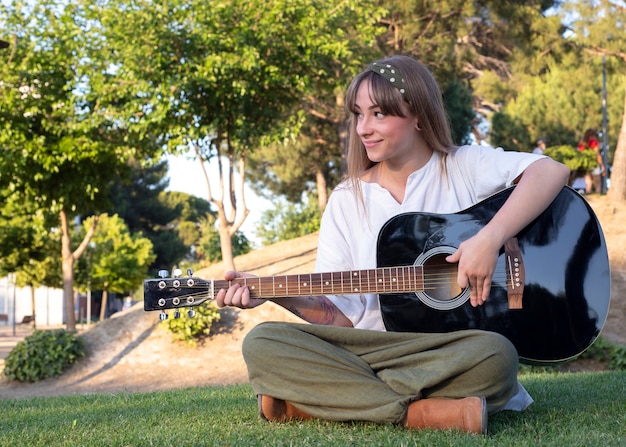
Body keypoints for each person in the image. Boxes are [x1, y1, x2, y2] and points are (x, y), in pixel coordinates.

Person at [216, 55, 570, 435]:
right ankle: (422, 413)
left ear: (418, 114)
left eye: (379, 114)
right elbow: (342, 318)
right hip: (370, 349)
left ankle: (330, 400)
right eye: (358, 114)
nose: (363, 128)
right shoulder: (347, 199)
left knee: (497, 357)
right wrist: (271, 293)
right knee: (263, 342)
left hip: (447, 352)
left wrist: (489, 239)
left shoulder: (463, 166)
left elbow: (551, 171)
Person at [577, 128, 605, 194]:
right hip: (594, 163)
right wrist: (602, 165)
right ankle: (598, 195)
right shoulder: (594, 142)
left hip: (585, 164)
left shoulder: (582, 143)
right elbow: (597, 154)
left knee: (588, 182)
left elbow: (579, 153)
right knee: (597, 182)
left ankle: (588, 195)